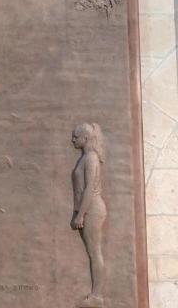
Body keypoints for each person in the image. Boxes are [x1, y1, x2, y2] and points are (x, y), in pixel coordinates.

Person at [71, 123, 107, 308]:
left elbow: (89, 191)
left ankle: (97, 297)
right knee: (92, 252)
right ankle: (96, 295)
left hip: (92, 209)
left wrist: (80, 215)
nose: (72, 140)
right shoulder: (85, 158)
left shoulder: (91, 158)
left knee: (95, 252)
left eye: (75, 137)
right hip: (86, 209)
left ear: (85, 139)